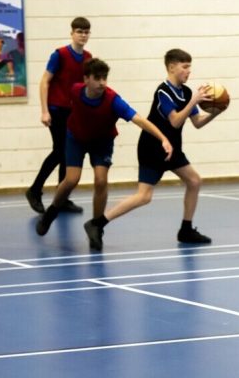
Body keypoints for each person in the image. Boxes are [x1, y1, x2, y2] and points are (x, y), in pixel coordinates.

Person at [82, 48, 223, 250]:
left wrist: (216, 112)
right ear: (172, 67)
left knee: (194, 180)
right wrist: (194, 101)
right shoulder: (163, 91)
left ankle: (186, 229)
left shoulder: (187, 92)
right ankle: (97, 223)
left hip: (172, 148)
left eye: (190, 67)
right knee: (144, 196)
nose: (188, 71)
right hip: (153, 147)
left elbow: (197, 122)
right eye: (185, 67)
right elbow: (175, 121)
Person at [35, 58, 173, 251]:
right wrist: (46, 112)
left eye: (105, 78)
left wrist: (162, 138)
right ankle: (51, 212)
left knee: (101, 181)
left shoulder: (113, 100)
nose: (102, 83)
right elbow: (58, 101)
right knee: (71, 179)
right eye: (97, 78)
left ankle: (96, 227)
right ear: (86, 79)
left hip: (102, 142)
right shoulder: (74, 91)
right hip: (76, 138)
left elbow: (140, 120)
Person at [26, 17, 93, 214]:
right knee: (60, 151)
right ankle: (34, 190)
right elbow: (45, 81)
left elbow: (85, 86)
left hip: (74, 112)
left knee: (67, 154)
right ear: (71, 33)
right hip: (57, 110)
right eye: (79, 31)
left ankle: (61, 198)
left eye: (86, 32)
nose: (83, 35)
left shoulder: (88, 57)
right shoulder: (60, 55)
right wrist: (44, 110)